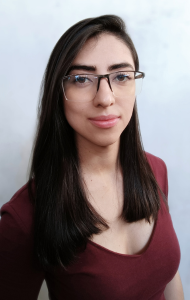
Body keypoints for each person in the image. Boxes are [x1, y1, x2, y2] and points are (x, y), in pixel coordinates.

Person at [0, 15, 184, 300]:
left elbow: (168, 278)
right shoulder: (23, 219)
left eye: (121, 76)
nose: (106, 98)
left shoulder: (155, 170)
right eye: (82, 79)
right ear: (58, 92)